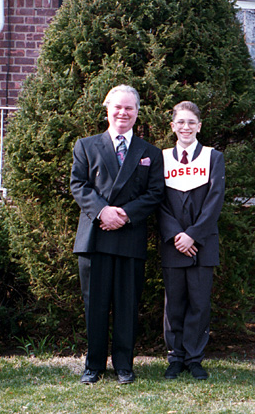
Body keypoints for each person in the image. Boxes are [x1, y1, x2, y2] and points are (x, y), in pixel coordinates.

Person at [70, 84, 165, 385]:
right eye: (118, 107)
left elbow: (155, 193)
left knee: (126, 305)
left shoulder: (150, 152)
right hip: (95, 237)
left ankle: (124, 364)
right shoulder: (85, 146)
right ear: (107, 108)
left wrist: (123, 215)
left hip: (129, 235)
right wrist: (103, 212)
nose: (123, 113)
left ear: (137, 113)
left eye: (130, 108)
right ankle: (94, 365)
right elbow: (78, 185)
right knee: (94, 304)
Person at [158, 101, 225, 380]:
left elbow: (215, 200)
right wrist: (177, 235)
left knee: (199, 302)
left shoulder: (213, 157)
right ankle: (176, 358)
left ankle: (195, 358)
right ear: (173, 126)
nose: (186, 127)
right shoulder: (161, 158)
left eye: (191, 122)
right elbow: (158, 202)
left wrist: (193, 235)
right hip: (174, 243)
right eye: (180, 122)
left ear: (199, 126)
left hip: (203, 242)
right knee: (174, 303)